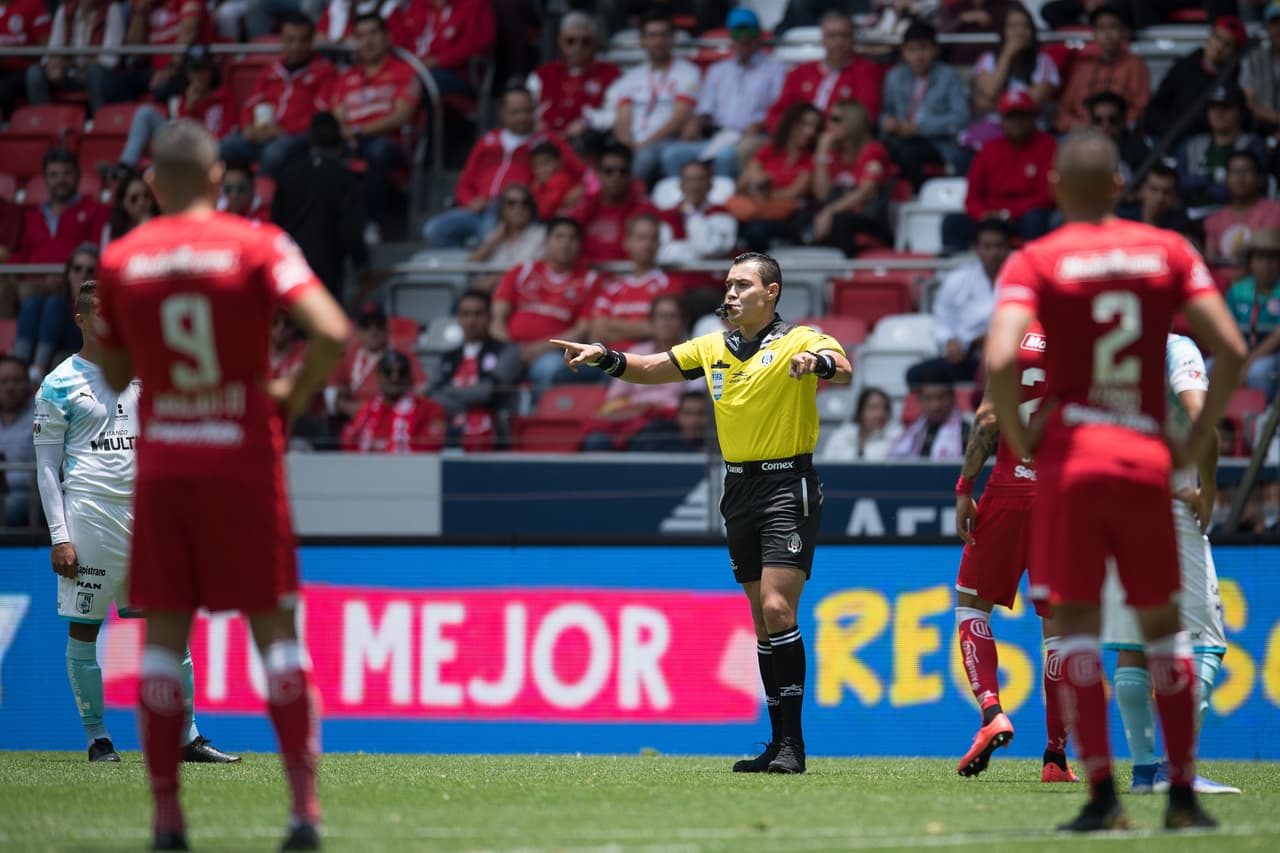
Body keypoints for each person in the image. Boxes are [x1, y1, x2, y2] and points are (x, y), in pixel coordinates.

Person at [94, 118, 351, 851]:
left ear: (151, 186)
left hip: (166, 462)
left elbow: (114, 373)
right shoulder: (258, 243)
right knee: (275, 631)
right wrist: (286, 397)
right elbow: (331, 332)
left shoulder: (121, 257)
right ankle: (303, 810)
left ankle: (168, 818)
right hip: (242, 456)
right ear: (218, 179)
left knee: (161, 637)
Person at [984, 127, 1246, 831]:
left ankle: (1103, 796)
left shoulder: (1036, 258)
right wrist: (1193, 437)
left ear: (1059, 188)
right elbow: (1232, 347)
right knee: (1163, 630)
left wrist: (1020, 431)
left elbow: (1003, 358)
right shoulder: (1168, 252)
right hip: (1141, 460)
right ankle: (1182, 796)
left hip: (1070, 464)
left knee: (1076, 633)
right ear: (1121, 187)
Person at [553, 251, 853, 775]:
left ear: (772, 291)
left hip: (788, 483)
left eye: (742, 285)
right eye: (728, 286)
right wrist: (603, 354)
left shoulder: (800, 340)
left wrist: (819, 365)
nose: (731, 294)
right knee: (762, 622)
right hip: (737, 489)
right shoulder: (714, 347)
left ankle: (795, 747)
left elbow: (844, 368)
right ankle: (778, 743)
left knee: (780, 609)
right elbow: (651, 369)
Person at [32, 282, 239, 764]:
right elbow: (45, 467)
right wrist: (59, 536)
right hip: (90, 516)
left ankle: (186, 736)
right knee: (84, 630)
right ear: (80, 319)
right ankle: (98, 737)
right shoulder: (59, 383)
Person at [1100, 333, 1241, 796]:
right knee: (1205, 641)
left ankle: (1143, 772)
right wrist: (1208, 489)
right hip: (1167, 501)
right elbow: (1202, 420)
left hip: (1112, 504)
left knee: (1132, 642)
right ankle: (1175, 771)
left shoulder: (1099, 346)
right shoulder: (1174, 347)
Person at [950, 324, 1078, 784]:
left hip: (1007, 491)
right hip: (1065, 501)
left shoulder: (1014, 336)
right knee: (1062, 632)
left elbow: (987, 419)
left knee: (971, 605)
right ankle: (1056, 758)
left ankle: (992, 714)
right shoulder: (1092, 341)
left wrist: (966, 487)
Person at [422, 86, 579, 248]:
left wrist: (576, 190)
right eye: (516, 112)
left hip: (515, 210)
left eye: (528, 111)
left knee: (488, 236)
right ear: (502, 113)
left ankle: (480, 267)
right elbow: (466, 180)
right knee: (434, 230)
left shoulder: (546, 142)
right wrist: (469, 201)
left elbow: (582, 173)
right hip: (478, 210)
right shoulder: (488, 141)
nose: (523, 117)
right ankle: (468, 269)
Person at [659, 7, 785, 180]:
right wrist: (695, 123)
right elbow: (706, 108)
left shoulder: (775, 69)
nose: (744, 38)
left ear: (758, 35)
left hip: (751, 136)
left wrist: (761, 124)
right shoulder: (718, 70)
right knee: (672, 154)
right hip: (718, 135)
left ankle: (724, 202)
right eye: (738, 32)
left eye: (748, 31)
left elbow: (778, 108)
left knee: (726, 156)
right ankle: (681, 203)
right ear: (731, 36)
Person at [331, 12, 421, 245]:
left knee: (377, 151)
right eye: (361, 36)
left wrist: (358, 130)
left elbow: (402, 116)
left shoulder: (405, 72)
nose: (368, 41)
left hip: (392, 144)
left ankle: (372, 224)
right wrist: (344, 132)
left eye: (374, 34)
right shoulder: (346, 78)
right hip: (352, 142)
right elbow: (337, 116)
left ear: (388, 38)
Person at [219, 13, 337, 178]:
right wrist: (248, 128)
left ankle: (261, 200)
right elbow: (252, 103)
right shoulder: (271, 70)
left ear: (311, 42)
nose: (296, 46)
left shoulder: (325, 71)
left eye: (302, 40)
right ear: (281, 41)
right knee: (224, 147)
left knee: (274, 153)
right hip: (264, 134)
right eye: (290, 40)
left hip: (298, 137)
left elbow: (321, 115)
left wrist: (284, 130)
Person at [581, 293, 704, 451]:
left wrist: (655, 408)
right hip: (633, 420)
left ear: (684, 321)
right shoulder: (636, 352)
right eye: (661, 316)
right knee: (596, 441)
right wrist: (639, 409)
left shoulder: (694, 354)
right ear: (651, 322)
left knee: (650, 436)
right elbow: (615, 396)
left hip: (673, 424)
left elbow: (696, 400)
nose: (667, 322)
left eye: (673, 316)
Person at [491, 217, 602, 393]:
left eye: (572, 238)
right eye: (559, 237)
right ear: (546, 242)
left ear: (579, 245)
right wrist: (511, 348)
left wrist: (537, 349)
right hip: (511, 347)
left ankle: (533, 419)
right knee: (492, 364)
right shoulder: (522, 271)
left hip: (554, 353)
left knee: (550, 369)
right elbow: (497, 319)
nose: (565, 243)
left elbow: (582, 331)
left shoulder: (589, 281)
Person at [271, 112, 370, 304]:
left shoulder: (287, 174)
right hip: (327, 267)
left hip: (290, 265)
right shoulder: (345, 177)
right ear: (340, 141)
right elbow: (350, 230)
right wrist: (362, 266)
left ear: (310, 140)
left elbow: (276, 222)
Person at [943, 90, 1056, 253]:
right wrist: (984, 215)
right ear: (1002, 120)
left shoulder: (1048, 147)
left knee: (1036, 219)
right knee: (952, 223)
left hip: (1023, 217)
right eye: (1011, 116)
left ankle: (1034, 268)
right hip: (989, 217)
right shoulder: (989, 150)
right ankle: (956, 274)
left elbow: (1048, 195)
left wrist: (1008, 213)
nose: (1017, 121)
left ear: (1032, 117)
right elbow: (972, 196)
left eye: (1022, 115)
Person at [908, 220, 1011, 385]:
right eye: (987, 247)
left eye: (999, 246)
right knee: (916, 375)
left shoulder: (1023, 279)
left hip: (1009, 359)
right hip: (967, 359)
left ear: (1008, 247)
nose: (993, 253)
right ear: (976, 248)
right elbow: (942, 323)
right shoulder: (957, 280)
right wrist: (949, 341)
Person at [610, 11, 702, 186]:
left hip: (665, 140)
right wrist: (626, 145)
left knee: (643, 158)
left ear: (672, 39)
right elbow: (622, 118)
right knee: (609, 159)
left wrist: (644, 144)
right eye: (652, 36)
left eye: (663, 35)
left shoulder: (689, 72)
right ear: (642, 40)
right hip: (633, 142)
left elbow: (679, 118)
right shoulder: (631, 76)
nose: (658, 41)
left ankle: (635, 204)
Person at [879, 20, 971, 189]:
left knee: (908, 152)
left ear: (936, 49)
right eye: (912, 49)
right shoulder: (894, 76)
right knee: (877, 149)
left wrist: (920, 128)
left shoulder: (950, 76)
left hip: (937, 143)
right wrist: (889, 123)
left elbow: (961, 119)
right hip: (898, 139)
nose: (918, 56)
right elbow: (884, 113)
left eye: (924, 48)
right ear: (904, 52)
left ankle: (919, 196)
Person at [117, 45, 238, 173]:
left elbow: (224, 137)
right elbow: (181, 132)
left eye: (203, 70)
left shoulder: (224, 98)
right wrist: (189, 107)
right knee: (145, 112)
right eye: (194, 70)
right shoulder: (186, 96)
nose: (199, 76)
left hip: (206, 152)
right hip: (182, 146)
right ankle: (126, 166)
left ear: (211, 71)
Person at [428, 290, 522, 450]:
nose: (472, 321)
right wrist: (474, 397)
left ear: (489, 317)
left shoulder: (508, 352)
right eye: (466, 314)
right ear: (458, 318)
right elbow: (433, 398)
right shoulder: (446, 357)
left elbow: (490, 393)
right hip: (448, 431)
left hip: (493, 434)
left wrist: (448, 391)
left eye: (478, 314)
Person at [766, 11, 884, 130]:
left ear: (853, 38)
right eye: (832, 36)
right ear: (823, 39)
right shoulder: (800, 72)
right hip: (796, 141)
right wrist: (792, 133)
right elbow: (775, 113)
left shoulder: (867, 71)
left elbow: (866, 117)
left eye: (844, 35)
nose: (838, 42)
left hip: (841, 143)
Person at [729, 102, 821, 253]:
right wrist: (756, 178)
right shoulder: (770, 150)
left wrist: (763, 192)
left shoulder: (810, 159)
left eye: (815, 127)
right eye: (804, 124)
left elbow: (794, 193)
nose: (810, 132)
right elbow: (741, 185)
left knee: (756, 231)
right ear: (791, 123)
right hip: (756, 211)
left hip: (787, 217)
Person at [1141, 17, 1246, 145]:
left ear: (1235, 52)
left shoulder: (1235, 80)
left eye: (1227, 44)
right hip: (1167, 137)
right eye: (1217, 38)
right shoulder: (1183, 67)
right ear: (1209, 38)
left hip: (1204, 143)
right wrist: (1168, 132)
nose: (1219, 47)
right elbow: (1155, 107)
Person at [811, 100, 893, 256]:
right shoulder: (834, 154)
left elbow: (866, 192)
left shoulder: (873, 150)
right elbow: (822, 194)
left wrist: (829, 211)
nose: (829, 125)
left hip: (868, 219)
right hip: (839, 214)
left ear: (852, 122)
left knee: (839, 222)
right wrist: (821, 153)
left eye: (835, 119)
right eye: (828, 119)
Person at [586, 214, 679, 349]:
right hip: (609, 360)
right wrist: (641, 328)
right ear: (627, 243)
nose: (647, 244)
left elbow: (664, 330)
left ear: (658, 244)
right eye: (641, 238)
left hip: (647, 361)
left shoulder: (669, 284)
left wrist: (612, 324)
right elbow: (596, 333)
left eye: (652, 238)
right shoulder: (612, 287)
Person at [1053, 4, 1149, 134]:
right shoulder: (1083, 68)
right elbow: (1064, 111)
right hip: (1083, 134)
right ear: (1094, 34)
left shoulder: (1135, 65)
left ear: (1124, 32)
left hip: (1119, 134)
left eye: (1113, 27)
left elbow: (1141, 108)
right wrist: (1080, 126)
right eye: (1101, 28)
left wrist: (1111, 125)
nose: (1107, 34)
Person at [526, 12, 620, 140]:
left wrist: (589, 122)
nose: (578, 47)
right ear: (560, 40)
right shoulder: (542, 74)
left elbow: (617, 114)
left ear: (595, 42)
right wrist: (535, 122)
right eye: (571, 41)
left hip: (589, 142)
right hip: (543, 142)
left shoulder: (611, 74)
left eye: (585, 42)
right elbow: (525, 107)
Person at [25, 0, 125, 116]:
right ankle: (43, 123)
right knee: (35, 72)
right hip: (70, 74)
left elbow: (109, 60)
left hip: (102, 75)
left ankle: (99, 123)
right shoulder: (65, 10)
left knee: (94, 72)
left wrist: (67, 63)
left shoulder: (112, 10)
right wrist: (53, 66)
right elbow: (53, 51)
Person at [1176, 83, 1268, 210]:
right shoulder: (1192, 145)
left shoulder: (1252, 143)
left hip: (1239, 215)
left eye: (1226, 107)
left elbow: (1252, 187)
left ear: (1240, 112)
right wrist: (1213, 177)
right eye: (1213, 107)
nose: (1219, 113)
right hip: (1191, 214)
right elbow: (1180, 184)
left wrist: (1200, 185)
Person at [969, 2, 1059, 130]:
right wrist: (1008, 54)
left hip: (1030, 129)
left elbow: (1033, 102)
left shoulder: (1044, 61)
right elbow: (990, 91)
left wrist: (992, 103)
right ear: (1003, 31)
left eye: (1025, 26)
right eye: (1013, 26)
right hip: (992, 127)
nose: (1020, 32)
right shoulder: (987, 59)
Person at [331, 303, 428, 420]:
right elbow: (336, 400)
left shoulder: (404, 355)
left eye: (379, 325)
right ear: (357, 331)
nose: (373, 331)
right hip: (354, 419)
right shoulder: (347, 355)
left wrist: (375, 411)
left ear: (387, 328)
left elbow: (420, 395)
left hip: (393, 417)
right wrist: (359, 411)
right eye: (366, 326)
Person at [13, 246, 96, 381]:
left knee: (54, 304)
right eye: (77, 268)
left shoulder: (99, 302)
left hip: (80, 343)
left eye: (90, 271)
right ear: (68, 272)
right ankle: (18, 364)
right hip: (55, 344)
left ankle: (37, 369)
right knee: (32, 303)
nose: (83, 275)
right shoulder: (61, 300)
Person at [13, 149, 110, 265]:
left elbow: (98, 259)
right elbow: (21, 257)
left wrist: (84, 283)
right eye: (54, 175)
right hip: (34, 282)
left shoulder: (97, 211)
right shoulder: (32, 218)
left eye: (67, 173)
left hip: (80, 282)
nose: (60, 180)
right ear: (45, 179)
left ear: (78, 175)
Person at [340, 349, 448, 452]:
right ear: (378, 377)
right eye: (388, 372)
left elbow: (430, 447)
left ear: (410, 378)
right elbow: (348, 445)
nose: (395, 377)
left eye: (401, 372)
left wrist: (382, 448)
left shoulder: (430, 410)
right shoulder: (366, 412)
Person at [570, 143, 657, 263]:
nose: (616, 176)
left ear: (630, 175)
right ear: (598, 174)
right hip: (589, 277)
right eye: (609, 171)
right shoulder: (584, 206)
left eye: (623, 171)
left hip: (629, 277)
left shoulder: (645, 209)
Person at [394, 0, 495, 100]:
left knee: (415, 85)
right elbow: (399, 38)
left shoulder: (474, 4)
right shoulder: (419, 4)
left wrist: (439, 60)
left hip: (455, 73)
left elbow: (478, 43)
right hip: (413, 68)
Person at [1225, 227, 1280, 402]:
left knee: (1259, 371)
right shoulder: (1238, 290)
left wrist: (1247, 364)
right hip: (1241, 354)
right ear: (1250, 262)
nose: (1266, 265)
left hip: (1272, 356)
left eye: (1272, 258)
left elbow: (1278, 336)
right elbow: (1226, 328)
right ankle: (1217, 422)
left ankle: (1265, 422)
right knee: (1209, 367)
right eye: (1260, 258)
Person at [1203, 151, 1280, 263]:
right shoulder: (1214, 220)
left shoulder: (1275, 211)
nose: (1240, 178)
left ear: (1260, 178)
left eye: (1246, 171)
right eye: (1234, 172)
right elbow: (1211, 262)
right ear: (1226, 180)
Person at [468, 184, 545, 293]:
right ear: (502, 209)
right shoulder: (494, 236)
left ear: (531, 208)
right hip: (490, 294)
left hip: (522, 294)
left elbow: (536, 272)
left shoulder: (541, 235)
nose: (519, 207)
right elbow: (470, 268)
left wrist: (497, 280)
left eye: (525, 203)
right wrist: (495, 239)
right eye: (511, 203)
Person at [888, 382, 971, 460]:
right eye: (928, 398)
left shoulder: (968, 433)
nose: (935, 405)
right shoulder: (909, 434)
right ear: (919, 400)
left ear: (952, 398)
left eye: (941, 397)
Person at [1085, 91, 1151, 188]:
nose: (1105, 126)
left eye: (1112, 120)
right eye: (1098, 120)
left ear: (1124, 120)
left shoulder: (1139, 150)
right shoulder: (1082, 149)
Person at [817, 386, 901, 462]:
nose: (880, 414)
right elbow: (827, 468)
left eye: (885, 408)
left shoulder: (896, 439)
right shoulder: (841, 437)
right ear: (860, 412)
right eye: (873, 408)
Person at [0, 0, 51, 119]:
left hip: (24, 70)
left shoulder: (32, 4)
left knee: (3, 89)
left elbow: (46, 48)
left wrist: (13, 51)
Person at [0, 355, 35, 526]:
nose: (10, 388)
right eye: (4, 382)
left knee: (11, 504)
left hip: (27, 494)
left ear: (29, 384)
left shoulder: (42, 416)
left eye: (16, 381)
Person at [628, 389, 713, 452]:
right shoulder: (656, 439)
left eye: (701, 413)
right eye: (688, 413)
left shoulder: (722, 445)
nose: (694, 420)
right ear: (678, 416)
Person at [1241, 1, 1280, 136]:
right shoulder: (1254, 58)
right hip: (1259, 132)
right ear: (1267, 26)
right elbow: (1248, 102)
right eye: (1275, 23)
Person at [1118, 163, 1192, 234]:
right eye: (1154, 189)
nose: (1160, 198)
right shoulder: (1122, 221)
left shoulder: (1182, 227)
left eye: (1167, 192)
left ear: (1175, 196)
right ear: (1142, 191)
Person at [102, 169, 159, 245]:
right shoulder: (111, 229)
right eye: (134, 199)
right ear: (122, 204)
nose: (141, 202)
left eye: (146, 196)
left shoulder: (163, 223)